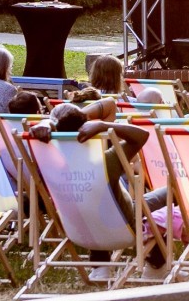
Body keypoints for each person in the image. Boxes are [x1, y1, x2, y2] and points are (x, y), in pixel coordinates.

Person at [30, 103, 170, 281]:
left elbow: (39, 130)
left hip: (79, 230)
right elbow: (142, 135)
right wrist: (104, 126)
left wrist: (46, 124)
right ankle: (157, 266)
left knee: (93, 205)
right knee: (173, 189)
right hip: (124, 225)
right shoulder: (106, 163)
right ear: (86, 126)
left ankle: (100, 266)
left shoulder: (48, 161)